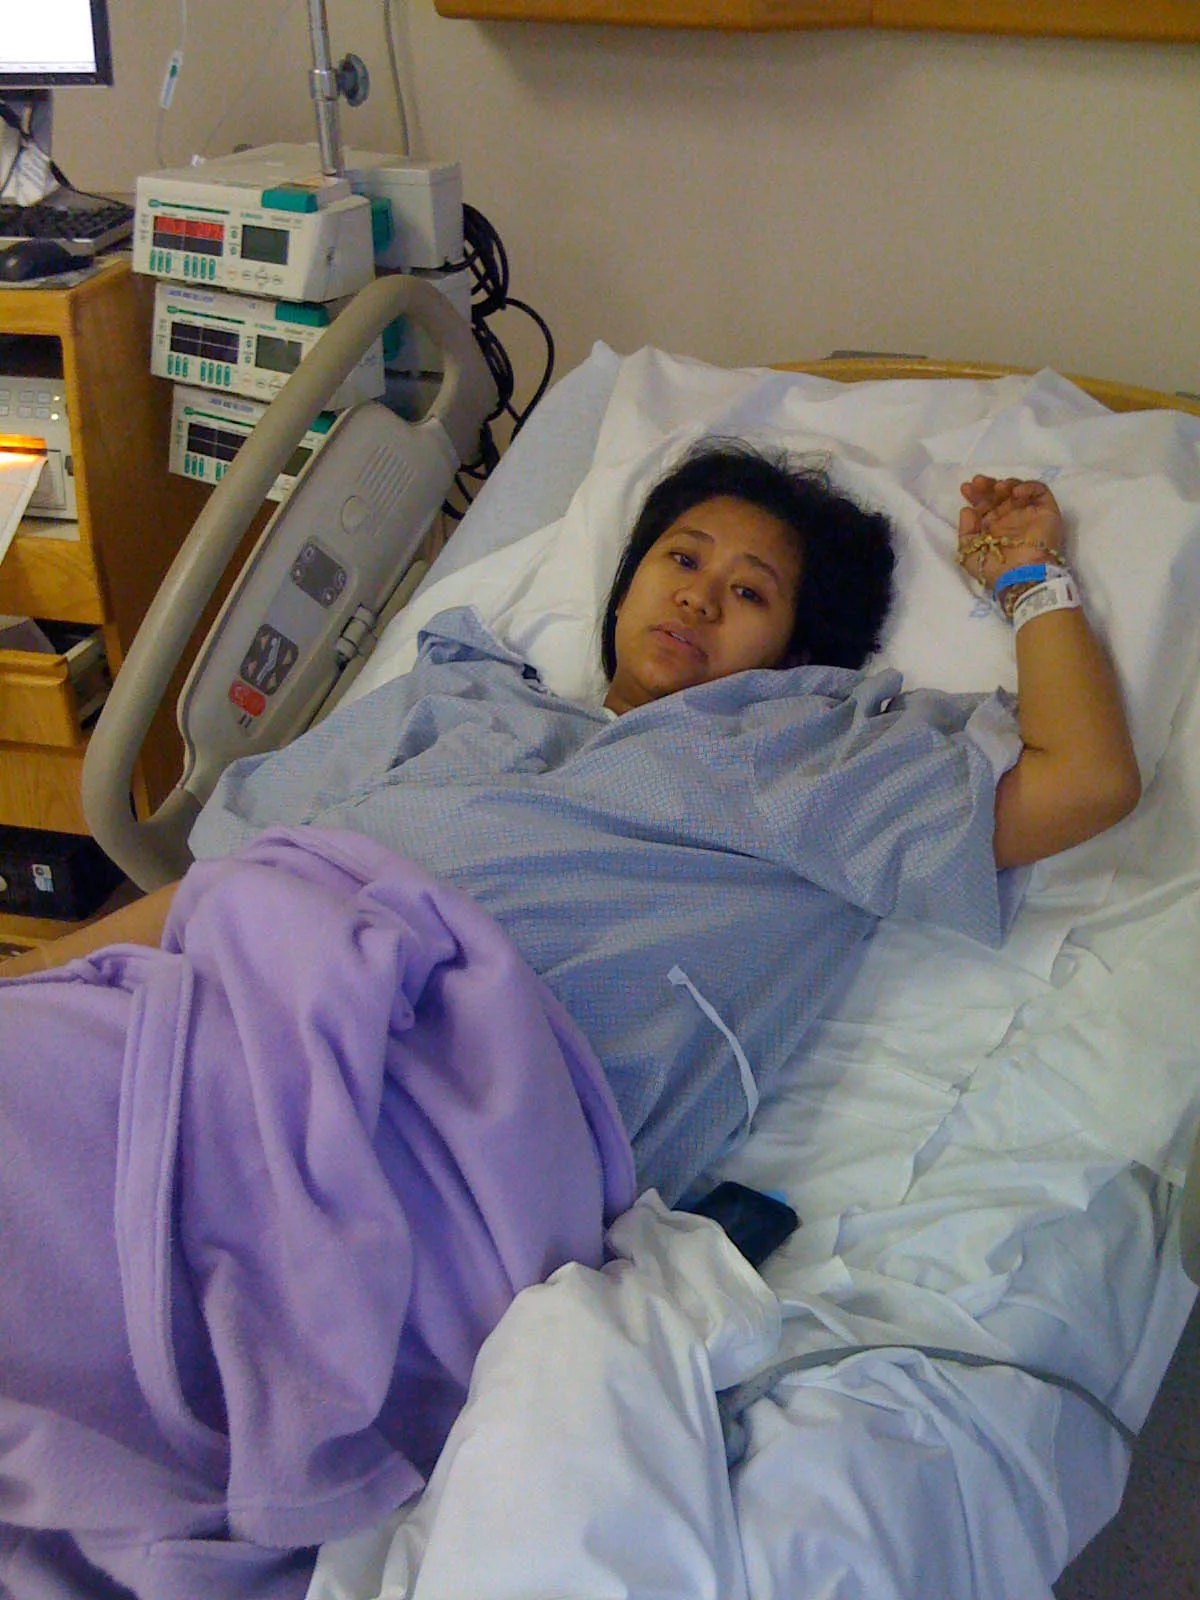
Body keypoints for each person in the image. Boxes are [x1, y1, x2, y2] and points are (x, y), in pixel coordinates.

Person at [0, 441, 1140, 1600]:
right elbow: (233, 886)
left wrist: (1027, 577)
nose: (697, 595)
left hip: (449, 1120)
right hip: (210, 1020)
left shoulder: (803, 756)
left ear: (796, 653)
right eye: (680, 557)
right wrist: (38, 976)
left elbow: (1086, 781)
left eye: (750, 590)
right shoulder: (458, 697)